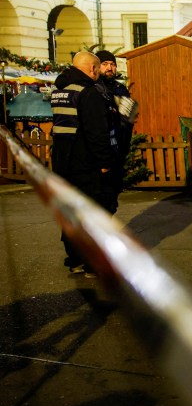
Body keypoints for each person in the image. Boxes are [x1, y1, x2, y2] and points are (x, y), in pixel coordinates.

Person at [50, 51, 123, 277]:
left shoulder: (60, 90)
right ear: (93, 69)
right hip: (87, 163)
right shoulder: (88, 93)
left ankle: (75, 259)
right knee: (96, 211)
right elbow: (96, 132)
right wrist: (104, 161)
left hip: (64, 162)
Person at [95, 50, 138, 201]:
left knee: (113, 196)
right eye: (105, 64)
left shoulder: (120, 89)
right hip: (101, 150)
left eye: (112, 64)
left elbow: (128, 119)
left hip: (118, 149)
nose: (109, 68)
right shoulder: (94, 89)